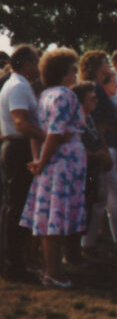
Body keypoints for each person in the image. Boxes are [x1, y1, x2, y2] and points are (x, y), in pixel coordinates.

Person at [19, 48, 86, 288]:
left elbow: (38, 133)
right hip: (61, 164)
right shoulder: (65, 95)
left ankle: (51, 271)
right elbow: (56, 133)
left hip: (51, 164)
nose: (75, 73)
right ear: (64, 72)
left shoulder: (45, 95)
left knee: (49, 218)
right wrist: (42, 161)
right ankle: (53, 273)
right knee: (55, 220)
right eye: (72, 69)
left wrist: (38, 160)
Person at [0, 45, 43, 282]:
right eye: (36, 62)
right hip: (18, 148)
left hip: (19, 147)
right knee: (15, 208)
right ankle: (13, 265)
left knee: (15, 207)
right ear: (25, 63)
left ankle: (13, 261)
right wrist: (47, 137)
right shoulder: (17, 87)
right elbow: (21, 123)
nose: (38, 66)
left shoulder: (20, 85)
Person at [77, 51, 117, 255]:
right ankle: (107, 240)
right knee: (107, 195)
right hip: (105, 145)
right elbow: (99, 122)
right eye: (106, 63)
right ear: (98, 66)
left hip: (106, 145)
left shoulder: (95, 87)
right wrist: (105, 148)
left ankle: (107, 239)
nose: (109, 66)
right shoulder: (95, 88)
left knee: (106, 195)